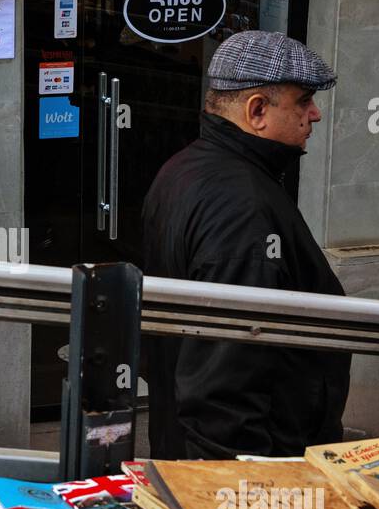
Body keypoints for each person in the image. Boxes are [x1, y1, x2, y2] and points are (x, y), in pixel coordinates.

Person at [141, 30, 350, 461]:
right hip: (254, 464)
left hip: (186, 444)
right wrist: (244, 488)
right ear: (257, 110)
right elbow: (226, 376)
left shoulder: (184, 168)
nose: (315, 114)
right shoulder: (243, 210)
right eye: (303, 100)